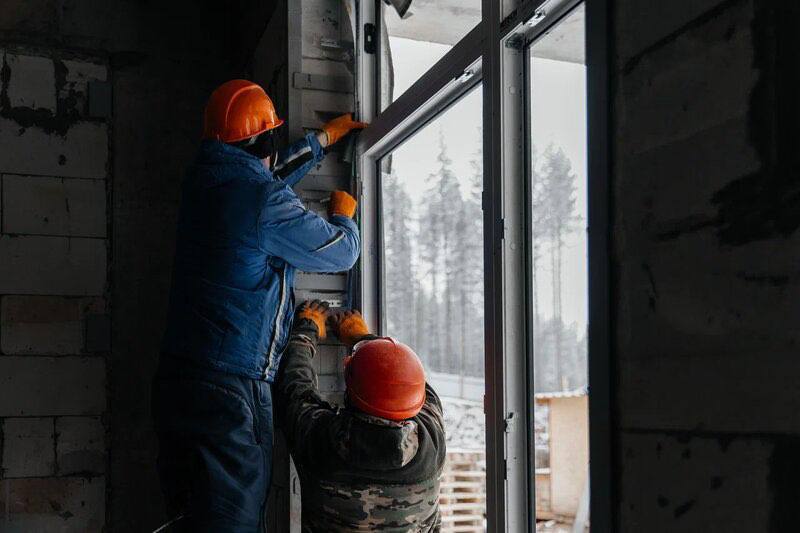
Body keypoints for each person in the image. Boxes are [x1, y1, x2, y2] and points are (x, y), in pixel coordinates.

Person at [152, 79, 367, 532]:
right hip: (231, 386)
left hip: (179, 377)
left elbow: (263, 176)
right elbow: (342, 253)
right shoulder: (262, 201)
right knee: (231, 521)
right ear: (264, 141)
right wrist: (345, 216)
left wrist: (321, 142)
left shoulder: (205, 179)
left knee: (190, 513)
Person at [275, 300, 447, 532]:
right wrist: (363, 337)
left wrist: (306, 331)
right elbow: (408, 381)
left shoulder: (322, 442)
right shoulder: (432, 442)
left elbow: (294, 389)